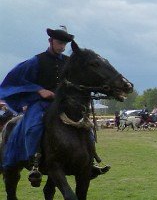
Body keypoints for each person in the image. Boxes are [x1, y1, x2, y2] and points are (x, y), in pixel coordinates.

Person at [0, 26, 110, 186]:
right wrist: (39, 90)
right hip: (41, 104)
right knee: (33, 127)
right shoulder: (36, 61)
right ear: (50, 41)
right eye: (59, 43)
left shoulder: (68, 62)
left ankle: (90, 161)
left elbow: (79, 81)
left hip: (64, 104)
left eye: (64, 44)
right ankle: (35, 163)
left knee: (86, 127)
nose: (62, 47)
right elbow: (15, 80)